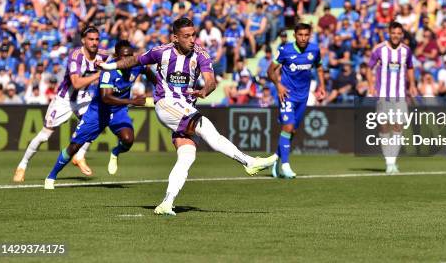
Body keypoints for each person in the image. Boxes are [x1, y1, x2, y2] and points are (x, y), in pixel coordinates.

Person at [98, 17, 277, 216]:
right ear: (175, 38)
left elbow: (211, 82)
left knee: (187, 156)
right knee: (206, 127)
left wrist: (204, 91)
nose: (192, 40)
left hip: (185, 107)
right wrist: (108, 67)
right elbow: (135, 59)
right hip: (166, 104)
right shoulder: (161, 52)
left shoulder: (200, 54)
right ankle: (248, 162)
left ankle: (167, 202)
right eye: (186, 36)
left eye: (193, 35)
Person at [44, 40, 155, 189]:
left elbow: (148, 71)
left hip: (118, 111)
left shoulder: (136, 66)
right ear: (116, 56)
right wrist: (133, 101)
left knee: (128, 140)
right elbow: (106, 98)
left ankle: (115, 152)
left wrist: (160, 88)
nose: (127, 60)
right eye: (124, 56)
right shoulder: (108, 71)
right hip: (98, 112)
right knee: (74, 147)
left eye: (130, 56)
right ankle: (51, 176)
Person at [13, 27, 106, 183]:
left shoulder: (103, 55)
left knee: (95, 124)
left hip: (84, 98)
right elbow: (75, 83)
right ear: (83, 40)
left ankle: (80, 156)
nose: (94, 42)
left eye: (97, 39)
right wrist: (99, 73)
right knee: (44, 136)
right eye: (91, 39)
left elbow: (120, 59)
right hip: (64, 100)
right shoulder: (75, 56)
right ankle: (22, 165)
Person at [267, 23, 326, 178]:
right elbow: (270, 70)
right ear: (294, 35)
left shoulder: (314, 50)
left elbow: (319, 67)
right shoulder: (285, 50)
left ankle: (275, 160)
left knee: (292, 131)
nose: (303, 38)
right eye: (300, 35)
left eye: (306, 35)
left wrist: (322, 86)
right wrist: (278, 85)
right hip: (286, 94)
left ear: (310, 35)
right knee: (288, 127)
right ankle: (286, 166)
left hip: (303, 96)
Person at [366, 22, 417, 175]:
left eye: (398, 33)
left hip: (400, 95)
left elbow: (410, 67)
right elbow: (369, 68)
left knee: (397, 126)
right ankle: (390, 161)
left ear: (402, 34)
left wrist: (412, 85)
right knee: (384, 127)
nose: (396, 36)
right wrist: (371, 85)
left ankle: (391, 162)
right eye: (393, 33)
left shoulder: (406, 51)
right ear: (389, 33)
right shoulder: (380, 49)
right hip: (383, 94)